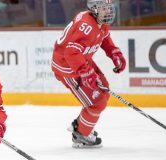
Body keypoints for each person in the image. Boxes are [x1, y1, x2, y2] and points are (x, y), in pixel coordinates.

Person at [51, 0, 126, 148]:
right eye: (104, 8)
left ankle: (81, 125)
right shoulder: (85, 26)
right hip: (69, 68)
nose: (108, 11)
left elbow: (104, 37)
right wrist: (85, 74)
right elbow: (71, 52)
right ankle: (81, 134)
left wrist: (114, 53)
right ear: (94, 8)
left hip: (81, 60)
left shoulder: (101, 22)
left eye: (109, 8)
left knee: (103, 89)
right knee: (97, 103)